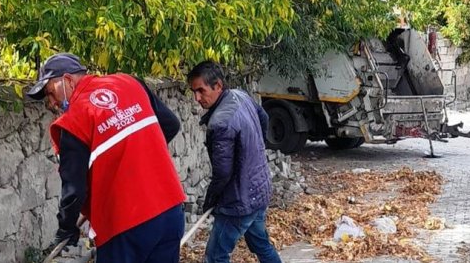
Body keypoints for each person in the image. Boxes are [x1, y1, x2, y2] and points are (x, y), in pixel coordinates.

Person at [27, 53, 186, 263]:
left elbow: (74, 189)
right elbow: (170, 124)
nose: (52, 102)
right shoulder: (129, 83)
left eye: (50, 93)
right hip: (170, 210)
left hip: (125, 225)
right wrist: (135, 154)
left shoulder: (73, 121)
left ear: (67, 80)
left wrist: (66, 228)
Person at [187, 60, 282, 263]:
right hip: (258, 190)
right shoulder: (241, 96)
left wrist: (211, 198)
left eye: (201, 91)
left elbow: (223, 172)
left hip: (239, 201)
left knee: (216, 257)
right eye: (194, 92)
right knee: (261, 245)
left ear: (218, 86)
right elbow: (263, 117)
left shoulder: (220, 122)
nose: (197, 98)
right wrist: (254, 150)